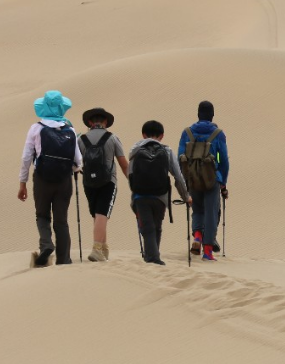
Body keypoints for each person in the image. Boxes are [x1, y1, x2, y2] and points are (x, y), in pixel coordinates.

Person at [18, 90, 83, 267]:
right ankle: (64, 259)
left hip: (42, 179)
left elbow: (26, 157)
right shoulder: (70, 130)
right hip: (64, 181)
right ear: (62, 107)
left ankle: (46, 244)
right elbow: (78, 161)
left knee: (42, 215)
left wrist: (22, 183)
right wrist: (73, 168)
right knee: (61, 221)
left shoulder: (36, 128)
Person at [129, 120, 192, 265]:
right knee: (156, 227)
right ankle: (153, 256)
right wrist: (186, 196)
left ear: (143, 135)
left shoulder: (135, 150)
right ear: (162, 135)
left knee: (147, 227)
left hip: (140, 196)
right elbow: (178, 176)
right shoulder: (167, 151)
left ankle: (151, 257)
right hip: (161, 196)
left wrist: (134, 195)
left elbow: (131, 174)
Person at [178, 100, 229, 262]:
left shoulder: (187, 133)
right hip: (212, 178)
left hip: (193, 178)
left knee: (198, 210)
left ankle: (198, 236)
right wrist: (223, 182)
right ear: (212, 115)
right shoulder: (218, 134)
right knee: (211, 212)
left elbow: (180, 157)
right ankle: (207, 252)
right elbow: (224, 160)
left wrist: (186, 179)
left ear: (198, 114)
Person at [79, 107, 129, 262]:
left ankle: (103, 248)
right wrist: (132, 181)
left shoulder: (80, 139)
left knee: (97, 214)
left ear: (89, 122)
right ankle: (96, 249)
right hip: (108, 181)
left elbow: (76, 162)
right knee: (102, 214)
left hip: (88, 182)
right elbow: (123, 163)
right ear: (105, 121)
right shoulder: (112, 138)